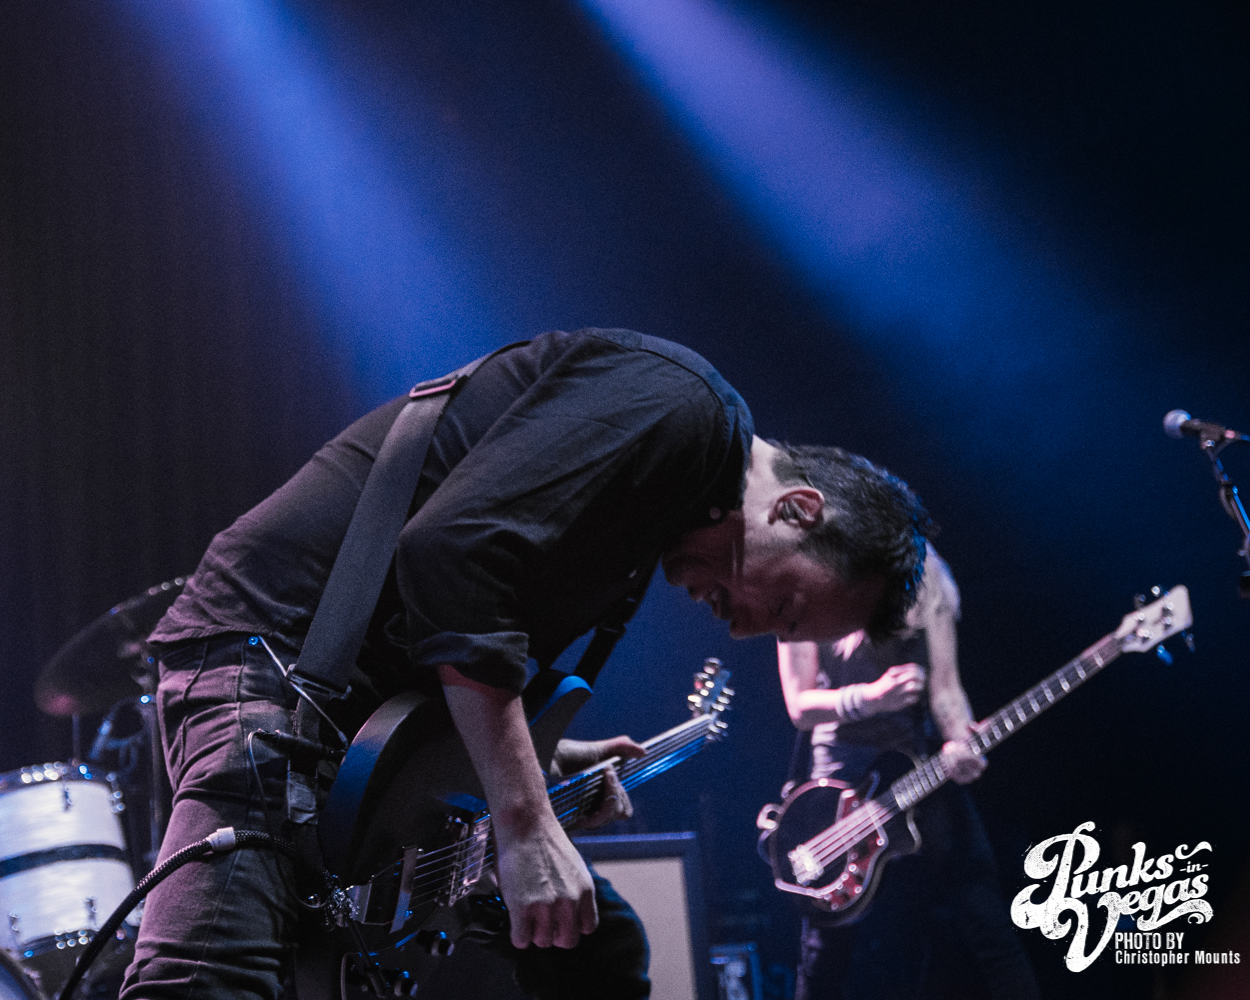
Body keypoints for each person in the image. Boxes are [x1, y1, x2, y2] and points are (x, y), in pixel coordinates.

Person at [122, 327, 931, 999]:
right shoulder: (682, 410)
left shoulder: (666, 496)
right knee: (205, 979)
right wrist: (524, 818)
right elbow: (452, 553)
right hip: (276, 653)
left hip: (361, 707)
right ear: (797, 509)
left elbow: (456, 629)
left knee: (596, 951)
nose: (750, 631)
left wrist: (541, 758)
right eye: (785, 608)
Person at [776, 548, 1040, 1000]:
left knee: (987, 917)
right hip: (839, 781)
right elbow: (799, 705)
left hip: (917, 769)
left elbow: (946, 689)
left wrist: (959, 739)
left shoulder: (924, 572)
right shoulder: (801, 580)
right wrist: (871, 698)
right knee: (825, 953)